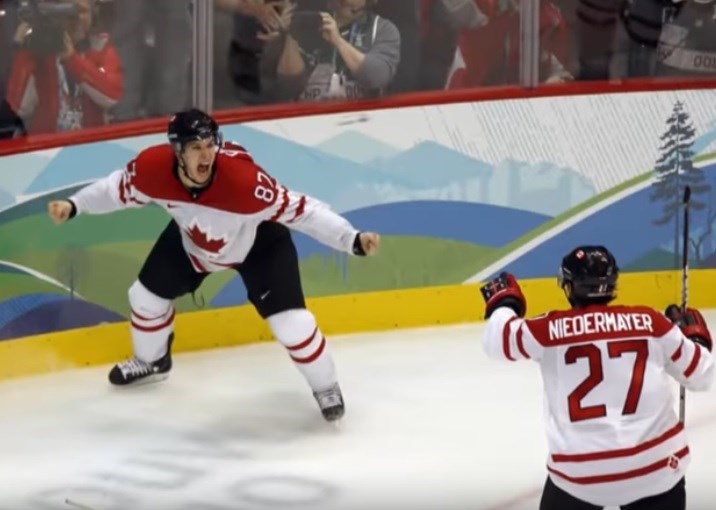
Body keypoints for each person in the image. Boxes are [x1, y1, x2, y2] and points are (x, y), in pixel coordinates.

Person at [46, 108, 380, 422]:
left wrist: (351, 239)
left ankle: (326, 387)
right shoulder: (152, 169)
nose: (206, 156)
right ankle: (152, 362)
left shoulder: (245, 184)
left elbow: (303, 211)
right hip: (193, 243)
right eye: (195, 147)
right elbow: (115, 189)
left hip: (258, 245)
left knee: (293, 325)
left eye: (210, 145)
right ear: (177, 152)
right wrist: (75, 205)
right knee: (143, 297)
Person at [479, 245, 713, 510]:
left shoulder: (547, 330)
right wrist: (695, 341)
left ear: (568, 286)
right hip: (656, 470)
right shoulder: (651, 323)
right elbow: (702, 375)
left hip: (579, 478)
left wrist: (504, 304)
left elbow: (497, 341)